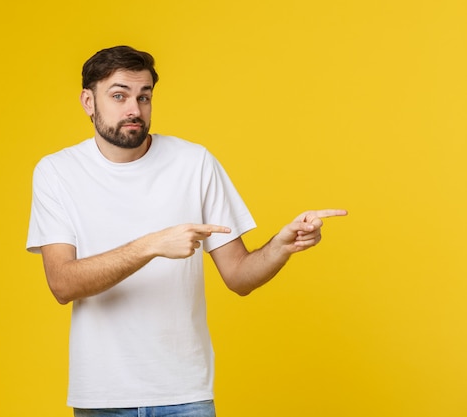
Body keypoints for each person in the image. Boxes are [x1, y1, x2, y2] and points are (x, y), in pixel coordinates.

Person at [26, 45, 347, 417]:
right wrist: (152, 245)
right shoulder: (57, 173)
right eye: (119, 96)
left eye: (144, 97)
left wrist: (281, 246)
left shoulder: (194, 163)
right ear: (88, 101)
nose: (134, 109)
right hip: (104, 397)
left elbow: (239, 277)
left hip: (185, 395)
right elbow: (62, 284)